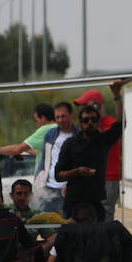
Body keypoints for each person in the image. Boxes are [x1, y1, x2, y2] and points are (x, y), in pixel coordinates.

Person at [54, 81, 126, 221]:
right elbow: (58, 175)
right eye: (86, 120)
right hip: (73, 200)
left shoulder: (102, 140)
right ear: (80, 123)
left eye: (93, 120)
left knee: (100, 237)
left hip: (95, 201)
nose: (90, 123)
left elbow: (120, 124)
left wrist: (117, 96)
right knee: (73, 238)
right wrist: (77, 171)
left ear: (98, 122)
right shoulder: (70, 144)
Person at [73, 88, 122, 221]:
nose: (83, 109)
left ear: (96, 105)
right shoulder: (87, 126)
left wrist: (117, 98)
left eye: (85, 105)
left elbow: (120, 124)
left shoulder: (108, 124)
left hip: (108, 177)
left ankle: (105, 241)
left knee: (105, 214)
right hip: (92, 177)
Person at [34, 102, 78, 213]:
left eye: (63, 116)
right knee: (47, 223)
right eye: (57, 117)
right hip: (49, 187)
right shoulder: (50, 134)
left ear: (71, 115)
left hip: (69, 189)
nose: (60, 120)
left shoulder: (79, 135)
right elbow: (44, 160)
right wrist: (38, 180)